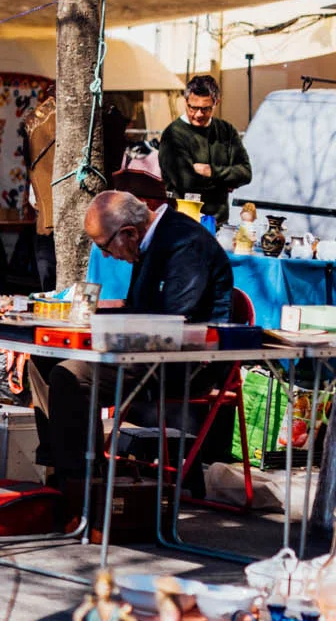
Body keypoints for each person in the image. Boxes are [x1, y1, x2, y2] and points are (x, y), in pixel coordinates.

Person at [24, 190, 233, 485]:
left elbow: (172, 321)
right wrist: (90, 317)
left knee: (70, 375)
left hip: (184, 360)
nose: (108, 256)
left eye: (105, 247)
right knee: (42, 360)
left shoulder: (185, 243)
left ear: (129, 233)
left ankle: (77, 484)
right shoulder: (150, 242)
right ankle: (67, 466)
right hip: (148, 347)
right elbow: (140, 309)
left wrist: (104, 326)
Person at [157, 74, 251, 224]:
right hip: (183, 222)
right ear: (185, 102)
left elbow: (246, 173)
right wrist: (225, 182)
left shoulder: (226, 130)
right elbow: (186, 182)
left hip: (218, 223)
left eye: (205, 109)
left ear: (216, 103)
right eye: (193, 108)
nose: (199, 114)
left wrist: (211, 171)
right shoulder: (173, 135)